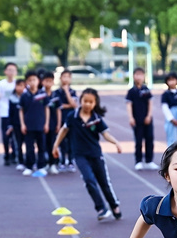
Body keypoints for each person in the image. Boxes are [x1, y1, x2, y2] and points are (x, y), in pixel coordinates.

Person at [52, 88, 122, 221]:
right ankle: (101, 208)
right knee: (89, 180)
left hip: (96, 155)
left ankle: (114, 205)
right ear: (80, 101)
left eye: (91, 102)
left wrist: (116, 143)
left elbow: (105, 134)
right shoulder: (72, 116)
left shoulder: (96, 119)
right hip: (79, 155)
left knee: (104, 183)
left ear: (95, 103)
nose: (88, 104)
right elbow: (63, 131)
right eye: (85, 101)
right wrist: (55, 146)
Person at [125, 67, 157, 171]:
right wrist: (131, 118)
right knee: (138, 141)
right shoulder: (131, 91)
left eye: (141, 75)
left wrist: (149, 116)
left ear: (144, 76)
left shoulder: (146, 90)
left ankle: (149, 161)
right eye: (137, 74)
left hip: (147, 119)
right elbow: (129, 105)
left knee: (149, 139)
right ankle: (138, 161)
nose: (139, 77)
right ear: (133, 76)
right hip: (137, 119)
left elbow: (150, 103)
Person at [18, 70, 48, 176]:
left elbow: (46, 109)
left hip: (40, 125)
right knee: (29, 147)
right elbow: (21, 110)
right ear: (26, 82)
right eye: (29, 80)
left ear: (38, 81)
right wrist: (22, 124)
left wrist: (46, 123)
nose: (32, 82)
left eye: (34, 80)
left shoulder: (42, 95)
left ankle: (41, 166)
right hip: (29, 126)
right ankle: (29, 166)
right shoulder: (24, 96)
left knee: (41, 147)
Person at [0, 62, 18, 166]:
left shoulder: (18, 84)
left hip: (15, 113)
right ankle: (6, 153)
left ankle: (14, 154)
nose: (11, 72)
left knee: (15, 135)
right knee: (6, 135)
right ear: (5, 71)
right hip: (4, 113)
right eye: (9, 70)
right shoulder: (1, 84)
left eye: (13, 70)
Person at [54, 69, 78, 172]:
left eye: (68, 77)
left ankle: (71, 161)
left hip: (71, 120)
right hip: (61, 119)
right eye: (64, 76)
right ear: (60, 78)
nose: (66, 79)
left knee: (72, 141)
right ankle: (62, 161)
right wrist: (68, 105)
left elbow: (74, 104)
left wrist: (67, 91)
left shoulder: (73, 91)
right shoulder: (56, 92)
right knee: (62, 141)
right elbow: (57, 106)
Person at [43, 73, 62, 175]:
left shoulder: (56, 96)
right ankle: (46, 163)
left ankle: (53, 164)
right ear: (42, 82)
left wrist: (58, 124)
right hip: (43, 125)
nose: (48, 83)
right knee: (44, 145)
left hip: (53, 124)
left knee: (53, 144)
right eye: (46, 81)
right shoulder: (40, 95)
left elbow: (59, 110)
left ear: (53, 82)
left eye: (50, 81)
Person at [7, 78, 26, 170]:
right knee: (18, 144)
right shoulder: (12, 98)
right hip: (16, 124)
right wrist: (10, 125)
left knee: (29, 144)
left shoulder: (28, 96)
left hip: (27, 124)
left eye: (22, 85)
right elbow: (10, 112)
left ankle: (30, 161)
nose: (20, 88)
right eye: (18, 85)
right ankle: (20, 161)